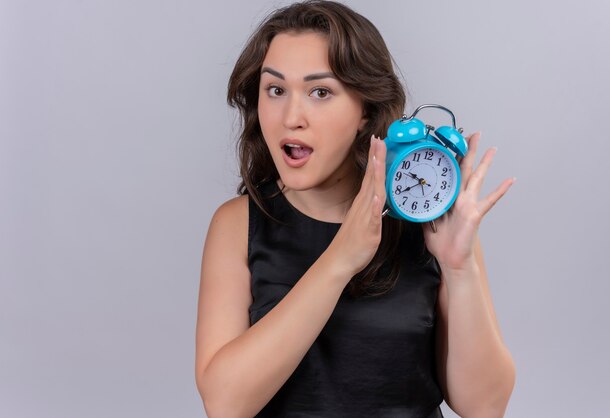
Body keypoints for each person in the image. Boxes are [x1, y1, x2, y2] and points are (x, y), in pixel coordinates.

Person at [195, 1, 516, 417]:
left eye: (320, 92)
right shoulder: (238, 223)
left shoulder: (430, 222)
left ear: (365, 112)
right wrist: (340, 260)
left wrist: (460, 268)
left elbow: (485, 407)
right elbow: (224, 404)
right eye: (275, 90)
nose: (291, 117)